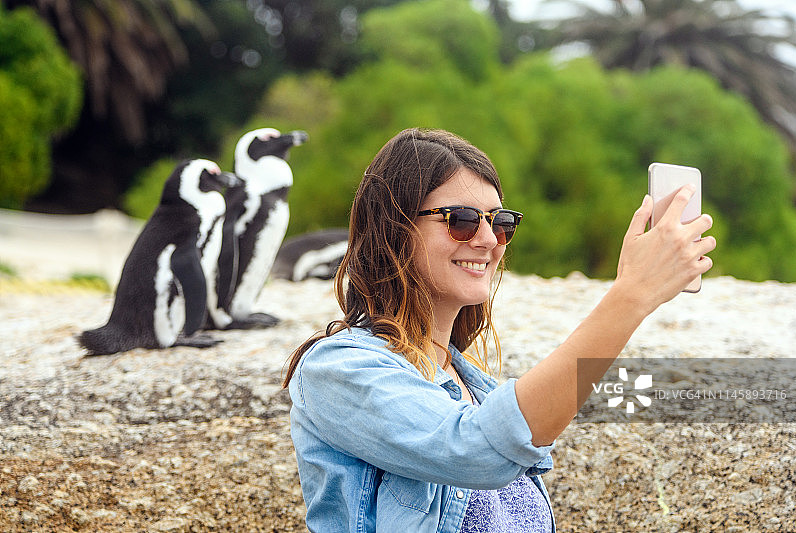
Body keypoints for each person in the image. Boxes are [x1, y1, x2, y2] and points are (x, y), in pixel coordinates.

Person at [282, 128, 715, 532]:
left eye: (500, 222)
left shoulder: (476, 388)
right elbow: (478, 451)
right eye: (462, 220)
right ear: (394, 229)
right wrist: (630, 296)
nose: (489, 239)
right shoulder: (337, 370)